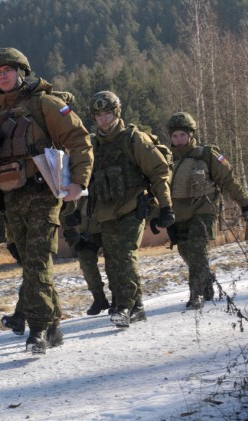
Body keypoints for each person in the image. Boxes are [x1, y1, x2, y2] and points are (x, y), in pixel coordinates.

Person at [0, 48, 93, 353]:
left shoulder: (44, 103)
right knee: (30, 265)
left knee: (37, 261)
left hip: (43, 193)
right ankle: (53, 325)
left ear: (21, 73)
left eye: (8, 70)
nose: (3, 76)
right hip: (12, 198)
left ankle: (39, 329)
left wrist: (79, 182)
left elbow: (79, 139)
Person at [87, 90, 174, 327]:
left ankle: (125, 306)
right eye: (98, 115)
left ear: (117, 112)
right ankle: (135, 305)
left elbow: (159, 172)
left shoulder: (134, 139)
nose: (103, 119)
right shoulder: (92, 145)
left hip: (133, 207)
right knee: (112, 261)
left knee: (126, 255)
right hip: (106, 212)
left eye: (107, 113)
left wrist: (165, 206)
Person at [165, 111, 248, 309]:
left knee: (198, 250)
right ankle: (206, 281)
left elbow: (229, 180)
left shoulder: (207, 155)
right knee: (186, 252)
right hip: (179, 214)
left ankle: (197, 294)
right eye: (175, 136)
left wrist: (245, 204)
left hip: (204, 209)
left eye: (183, 135)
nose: (179, 139)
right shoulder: (166, 160)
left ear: (191, 134)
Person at [63, 193, 112, 315]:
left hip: (109, 226)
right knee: (86, 263)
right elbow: (69, 205)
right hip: (87, 230)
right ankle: (99, 299)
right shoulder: (78, 185)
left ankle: (118, 298)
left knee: (114, 264)